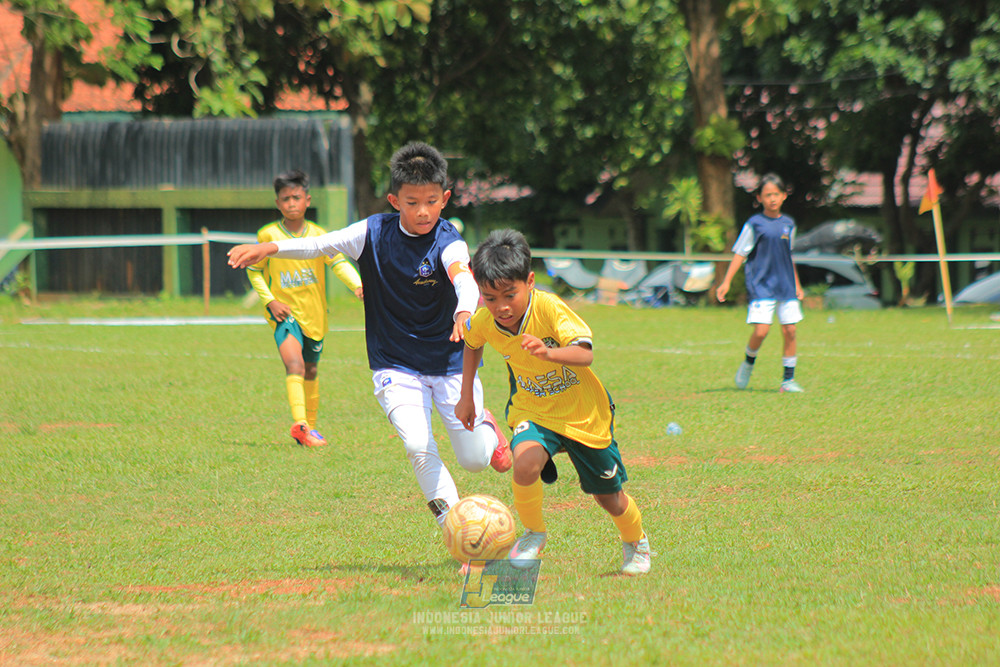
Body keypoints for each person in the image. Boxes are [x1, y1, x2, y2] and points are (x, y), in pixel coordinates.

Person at [229, 142, 511, 531]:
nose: (423, 211)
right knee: (416, 445)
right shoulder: (372, 233)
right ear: (395, 200)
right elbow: (319, 244)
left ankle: (488, 429)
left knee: (475, 460)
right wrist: (269, 248)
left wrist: (465, 308)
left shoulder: (450, 240)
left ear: (445, 199)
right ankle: (456, 527)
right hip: (394, 362)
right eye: (412, 202)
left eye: (432, 201)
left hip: (449, 364)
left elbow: (463, 276)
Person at [455, 229, 651, 576]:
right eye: (489, 297)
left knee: (609, 498)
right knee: (525, 464)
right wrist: (466, 395)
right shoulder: (487, 320)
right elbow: (472, 343)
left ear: (530, 281)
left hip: (584, 415)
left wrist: (549, 352)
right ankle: (533, 533)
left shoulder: (549, 307)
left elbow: (584, 354)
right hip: (534, 410)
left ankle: (636, 542)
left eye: (509, 295)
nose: (501, 307)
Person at [247, 169, 364, 448]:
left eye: (296, 197)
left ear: (307, 200)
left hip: (315, 315)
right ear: (278, 204)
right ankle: (300, 424)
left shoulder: (319, 235)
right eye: (285, 199)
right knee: (295, 365)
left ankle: (309, 429)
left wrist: (358, 285)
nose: (291, 203)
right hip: (284, 315)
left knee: (310, 370)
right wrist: (270, 301)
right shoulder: (268, 235)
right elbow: (254, 270)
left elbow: (337, 262)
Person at [716, 173, 805, 393]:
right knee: (761, 332)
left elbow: (789, 255)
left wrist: (797, 284)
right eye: (767, 195)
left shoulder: (788, 224)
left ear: (784, 196)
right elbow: (739, 253)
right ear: (760, 198)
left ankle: (788, 380)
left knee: (790, 331)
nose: (772, 198)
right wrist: (726, 281)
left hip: (785, 285)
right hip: (762, 284)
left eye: (776, 194)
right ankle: (748, 363)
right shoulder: (755, 224)